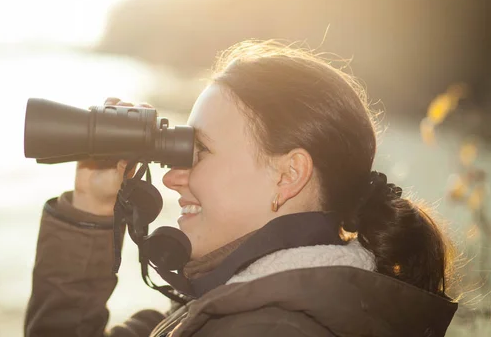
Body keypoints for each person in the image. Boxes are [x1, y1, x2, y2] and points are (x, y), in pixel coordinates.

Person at [24, 40, 458, 337]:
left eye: (200, 151)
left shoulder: (263, 328)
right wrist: (93, 206)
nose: (174, 177)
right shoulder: (237, 305)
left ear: (288, 176)